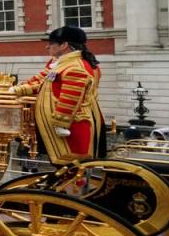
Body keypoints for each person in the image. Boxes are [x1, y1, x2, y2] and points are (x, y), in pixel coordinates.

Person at [11, 26, 104, 165]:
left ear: (64, 45)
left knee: (72, 167)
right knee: (67, 168)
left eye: (51, 43)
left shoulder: (74, 66)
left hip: (70, 126)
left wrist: (60, 124)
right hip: (65, 125)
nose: (47, 47)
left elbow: (70, 98)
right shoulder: (63, 63)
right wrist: (15, 90)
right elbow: (41, 82)